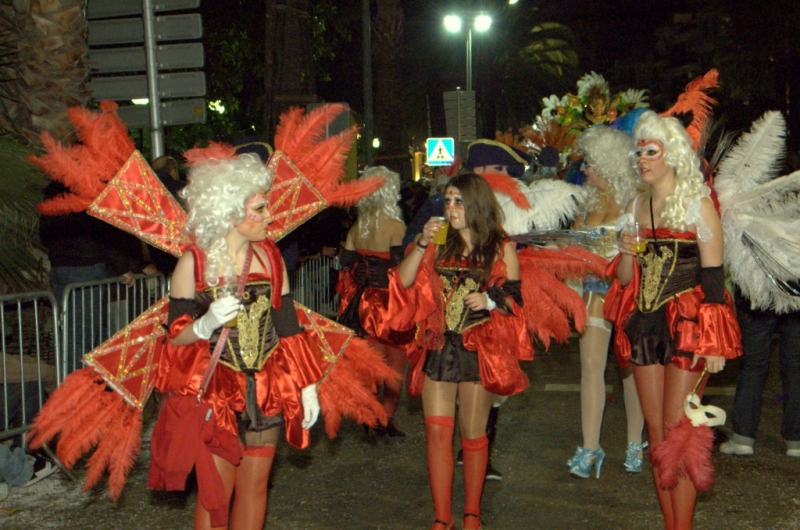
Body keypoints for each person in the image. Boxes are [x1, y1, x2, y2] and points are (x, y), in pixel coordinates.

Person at [154, 152, 322, 530]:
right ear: (230, 212)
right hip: (218, 393)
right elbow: (173, 342)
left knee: (255, 487)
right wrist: (205, 324)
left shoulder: (271, 259)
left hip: (267, 387)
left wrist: (308, 385)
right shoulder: (192, 264)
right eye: (259, 208)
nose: (268, 216)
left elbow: (289, 328)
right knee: (216, 493)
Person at [604, 111, 742, 529]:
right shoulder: (635, 204)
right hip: (646, 322)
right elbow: (627, 278)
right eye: (639, 152)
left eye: (651, 151)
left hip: (688, 324)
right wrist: (625, 248)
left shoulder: (697, 203)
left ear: (673, 154)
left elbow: (714, 277)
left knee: (679, 430)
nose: (642, 159)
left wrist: (714, 343)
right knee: (657, 434)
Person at [391, 173, 532, 530]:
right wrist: (421, 244)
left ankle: (471, 513)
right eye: (448, 200)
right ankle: (442, 517)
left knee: (472, 432)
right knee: (437, 431)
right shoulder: (438, 241)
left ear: (476, 204)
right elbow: (403, 281)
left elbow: (516, 299)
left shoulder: (500, 246)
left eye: (458, 201)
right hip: (439, 344)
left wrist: (491, 299)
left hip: (479, 345)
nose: (451, 208)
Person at [567, 125, 646, 477]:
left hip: (625, 289)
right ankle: (590, 448)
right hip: (592, 289)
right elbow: (569, 247)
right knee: (590, 367)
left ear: (608, 164)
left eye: (590, 164)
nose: (584, 170)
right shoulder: (586, 201)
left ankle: (634, 442)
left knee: (630, 369)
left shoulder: (635, 199)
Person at [338, 166, 411, 437]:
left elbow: (345, 267)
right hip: (389, 302)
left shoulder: (357, 228)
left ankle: (371, 415)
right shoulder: (396, 227)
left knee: (370, 362)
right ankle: (386, 416)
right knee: (394, 362)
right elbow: (402, 271)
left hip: (361, 302)